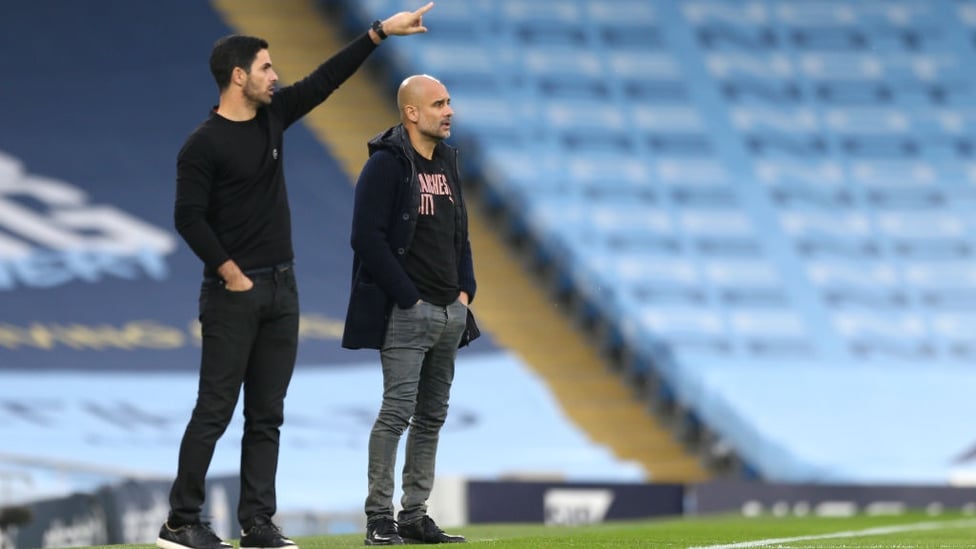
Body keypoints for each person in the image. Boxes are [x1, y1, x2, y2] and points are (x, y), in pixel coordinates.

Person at [156, 5, 436, 549]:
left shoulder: (274, 117)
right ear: (238, 76)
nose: (275, 75)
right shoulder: (203, 144)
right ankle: (180, 521)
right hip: (233, 294)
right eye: (264, 67)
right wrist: (232, 274)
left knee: (267, 415)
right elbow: (186, 217)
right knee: (214, 410)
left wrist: (378, 32)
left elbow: (326, 80)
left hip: (283, 288)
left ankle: (257, 522)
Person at [341, 74, 478, 546]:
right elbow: (366, 237)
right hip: (408, 313)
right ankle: (379, 518)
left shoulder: (446, 162)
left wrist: (465, 293)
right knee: (397, 413)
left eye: (449, 102)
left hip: (449, 311)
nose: (449, 111)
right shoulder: (386, 165)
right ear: (412, 112)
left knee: (432, 417)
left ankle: (415, 515)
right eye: (439, 103)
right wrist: (408, 298)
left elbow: (459, 234)